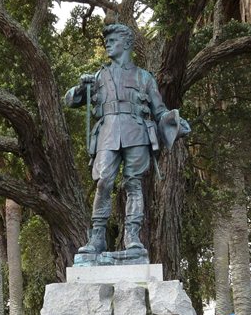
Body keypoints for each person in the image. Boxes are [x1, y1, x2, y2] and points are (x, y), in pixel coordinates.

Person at [64, 23, 189, 257]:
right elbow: (70, 100)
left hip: (136, 132)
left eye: (113, 40)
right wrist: (81, 86)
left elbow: (159, 110)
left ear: (127, 44)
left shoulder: (144, 77)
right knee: (103, 181)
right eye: (106, 41)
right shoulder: (98, 76)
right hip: (107, 133)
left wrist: (175, 122)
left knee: (134, 184)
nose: (108, 44)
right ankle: (97, 237)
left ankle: (132, 236)